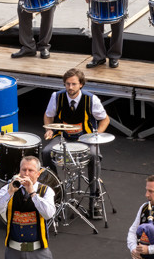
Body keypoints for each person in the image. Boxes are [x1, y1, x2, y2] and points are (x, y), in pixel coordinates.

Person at [43, 68, 109, 208]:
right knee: (46, 152)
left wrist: (96, 136)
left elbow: (105, 119)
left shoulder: (91, 99)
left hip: (84, 138)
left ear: (81, 84)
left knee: (94, 156)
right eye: (67, 84)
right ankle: (56, 188)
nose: (70, 87)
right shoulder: (56, 96)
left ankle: (94, 195)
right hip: (63, 136)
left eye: (73, 84)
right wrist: (49, 129)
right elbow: (48, 115)